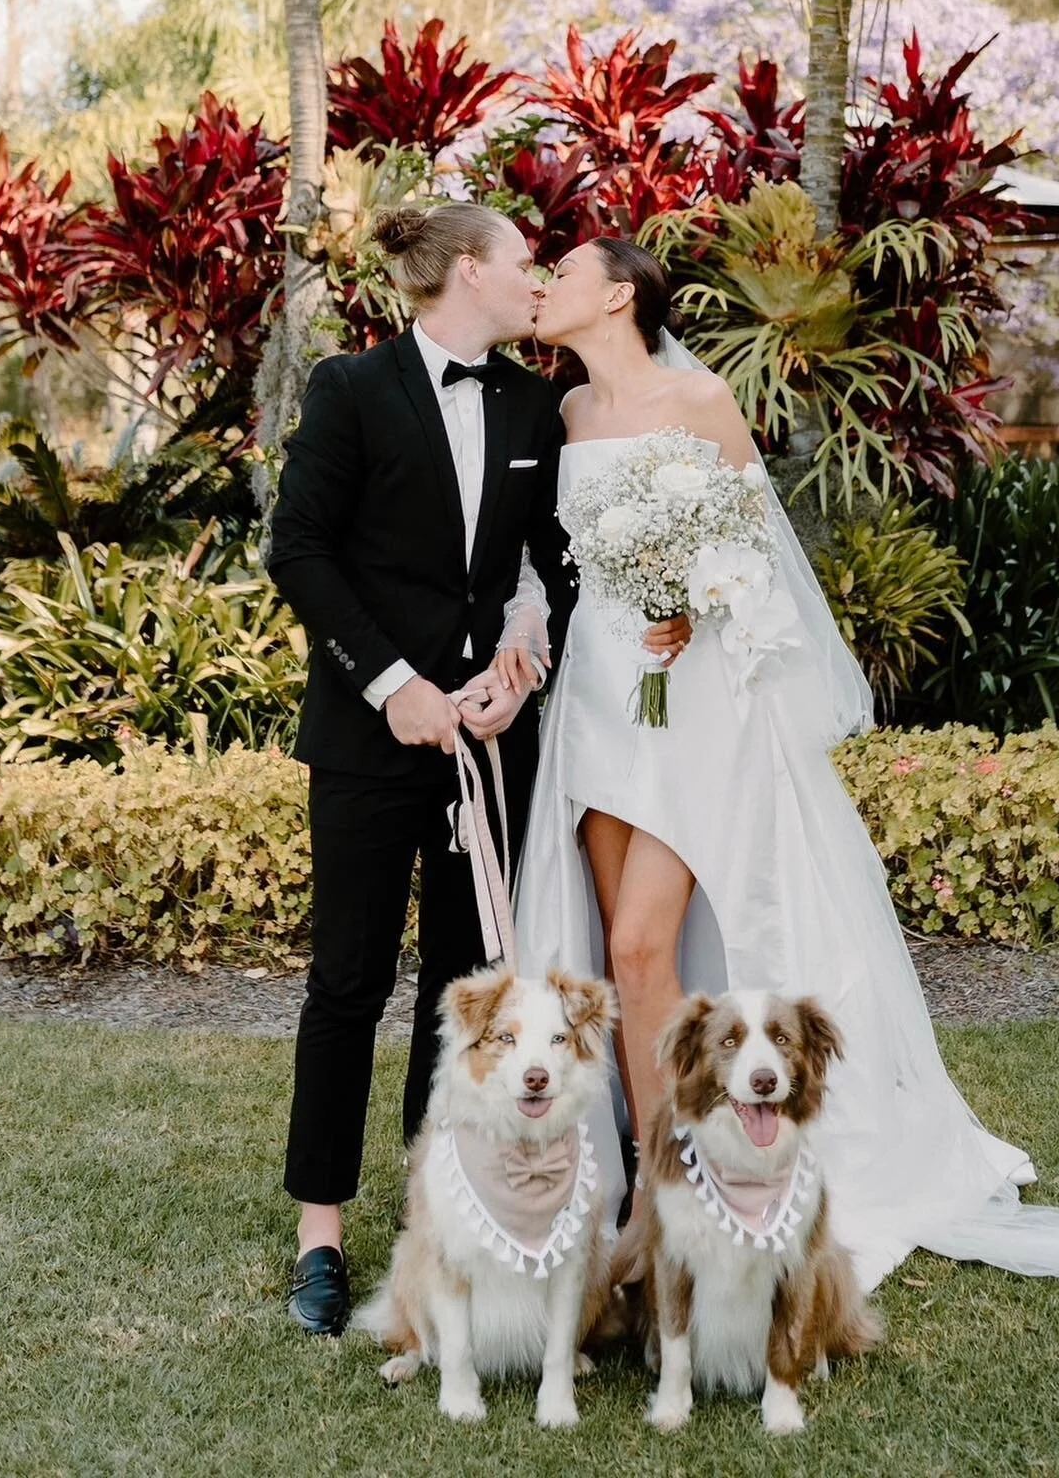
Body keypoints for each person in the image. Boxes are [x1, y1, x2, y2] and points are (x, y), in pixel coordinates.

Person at [512, 235, 1059, 1292]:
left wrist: (694, 604)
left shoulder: (697, 406)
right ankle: (655, 1188)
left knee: (643, 944)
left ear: (615, 297)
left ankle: (683, 1196)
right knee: (624, 962)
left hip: (690, 707)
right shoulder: (564, 415)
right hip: (599, 705)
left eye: (559, 273)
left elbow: (757, 561)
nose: (542, 285)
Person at [267, 204, 682, 1337]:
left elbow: (547, 565)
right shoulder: (353, 391)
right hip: (368, 741)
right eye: (521, 263)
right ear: (466, 273)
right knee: (346, 984)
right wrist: (392, 682)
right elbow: (295, 548)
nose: (534, 279)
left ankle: (432, 1217)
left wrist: (522, 661)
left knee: (464, 996)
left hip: (489, 750)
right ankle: (320, 1240)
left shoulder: (531, 404)